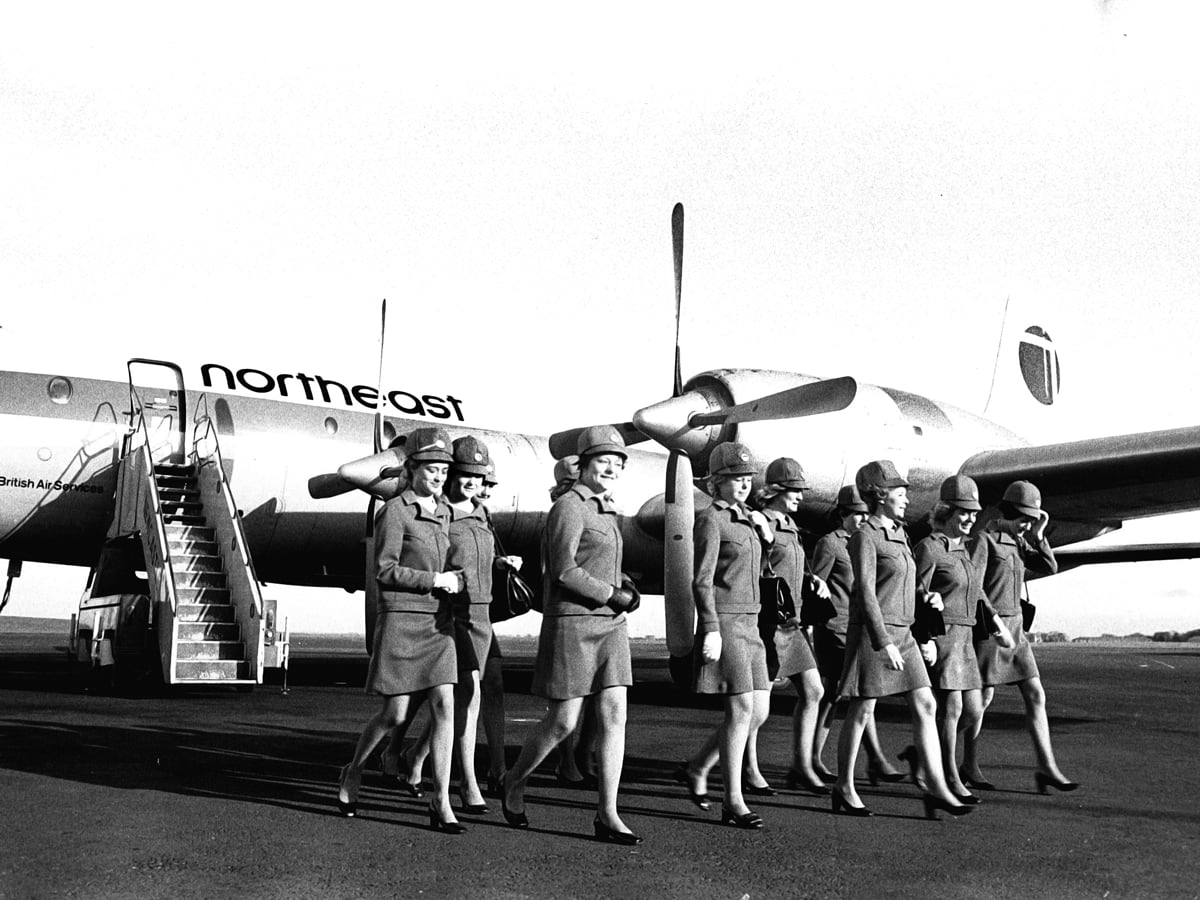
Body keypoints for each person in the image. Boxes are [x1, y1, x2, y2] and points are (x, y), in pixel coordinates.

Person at [502, 427, 642, 844]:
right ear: (583, 464)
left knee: (615, 716)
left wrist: (626, 587)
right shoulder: (569, 507)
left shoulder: (606, 511)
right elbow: (563, 570)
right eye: (604, 461)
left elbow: (602, 564)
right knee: (563, 722)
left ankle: (608, 813)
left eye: (618, 463)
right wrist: (611, 593)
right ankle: (513, 779)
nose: (612, 468)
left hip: (611, 626)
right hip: (574, 624)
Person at [335, 426, 467, 834]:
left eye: (444, 468)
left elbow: (450, 561)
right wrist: (434, 581)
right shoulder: (394, 511)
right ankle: (353, 770)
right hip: (403, 620)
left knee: (445, 706)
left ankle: (440, 799)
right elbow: (385, 570)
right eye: (431, 468)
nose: (439, 475)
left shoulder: (446, 512)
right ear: (412, 469)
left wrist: (459, 578)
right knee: (395, 714)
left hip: (438, 623)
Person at [833, 460, 972, 819]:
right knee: (862, 710)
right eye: (899, 493)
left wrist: (928, 596)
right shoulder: (866, 536)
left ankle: (938, 786)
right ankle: (844, 788)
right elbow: (864, 590)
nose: (906, 499)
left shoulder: (899, 533)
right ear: (880, 496)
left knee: (926, 703)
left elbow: (907, 580)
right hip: (874, 633)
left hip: (906, 632)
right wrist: (883, 641)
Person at [391, 437, 523, 814]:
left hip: (483, 614)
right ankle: (467, 782)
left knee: (464, 698)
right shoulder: (441, 514)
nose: (472, 482)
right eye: (465, 474)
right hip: (456, 614)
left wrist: (500, 564)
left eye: (478, 475)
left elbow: (479, 558)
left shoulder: (483, 513)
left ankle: (415, 758)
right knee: (468, 697)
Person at [679, 442, 775, 830]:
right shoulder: (711, 520)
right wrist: (712, 628)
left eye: (748, 478)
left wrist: (766, 541)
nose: (744, 485)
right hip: (729, 624)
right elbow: (701, 580)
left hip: (753, 624)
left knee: (760, 711)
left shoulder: (750, 520)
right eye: (736, 479)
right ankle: (732, 800)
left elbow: (756, 574)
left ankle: (699, 767)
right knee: (739, 712)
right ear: (717, 483)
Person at [961, 480, 1078, 794]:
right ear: (1008, 513)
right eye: (1024, 519)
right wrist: (993, 619)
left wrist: (1039, 534)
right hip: (990, 630)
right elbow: (974, 587)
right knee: (979, 702)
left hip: (1017, 632)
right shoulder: (984, 540)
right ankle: (952, 758)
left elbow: (1048, 566)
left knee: (1036, 694)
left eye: (1031, 519)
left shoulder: (1019, 542)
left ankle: (1047, 767)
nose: (1027, 524)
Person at [913, 475, 1013, 803]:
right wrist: (925, 631)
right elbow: (914, 593)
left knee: (973, 709)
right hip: (943, 636)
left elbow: (978, 591)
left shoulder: (963, 551)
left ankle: (922, 753)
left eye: (973, 512)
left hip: (967, 638)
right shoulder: (929, 548)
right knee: (953, 707)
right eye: (963, 512)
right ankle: (950, 777)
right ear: (946, 512)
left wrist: (997, 623)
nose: (971, 518)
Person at [809, 485, 905, 786]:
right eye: (854, 515)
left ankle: (823, 757)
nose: (861, 520)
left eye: (864, 514)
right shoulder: (831, 544)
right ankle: (824, 758)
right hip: (834, 628)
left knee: (851, 695)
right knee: (844, 695)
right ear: (842, 515)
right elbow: (816, 584)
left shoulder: (870, 541)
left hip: (857, 629)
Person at [753, 457, 831, 796]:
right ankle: (747, 767)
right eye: (795, 490)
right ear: (777, 491)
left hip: (794, 624)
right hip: (770, 624)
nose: (800, 496)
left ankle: (801, 765)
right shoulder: (760, 523)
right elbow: (755, 569)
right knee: (757, 707)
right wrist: (766, 540)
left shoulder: (790, 524)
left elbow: (791, 567)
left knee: (814, 691)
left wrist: (813, 581)